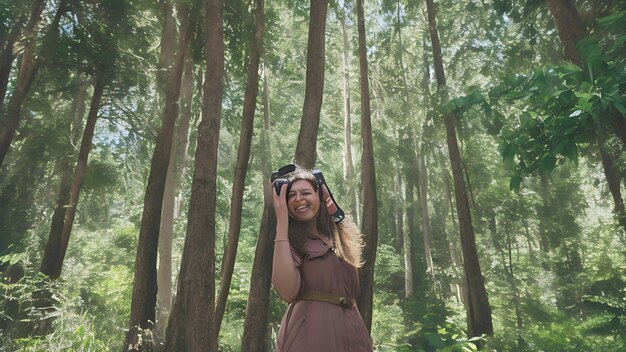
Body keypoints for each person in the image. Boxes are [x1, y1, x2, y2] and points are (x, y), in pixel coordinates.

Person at [271, 164, 373, 352]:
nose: (299, 199)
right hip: (312, 333)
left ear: (319, 195)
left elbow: (349, 239)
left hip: (352, 330)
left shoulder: (337, 239)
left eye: (306, 192)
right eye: (292, 195)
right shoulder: (289, 242)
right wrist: (281, 222)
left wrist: (329, 200)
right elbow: (287, 291)